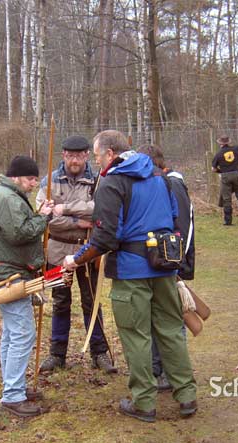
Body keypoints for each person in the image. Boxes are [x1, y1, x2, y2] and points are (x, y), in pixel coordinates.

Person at [62, 130, 198, 423]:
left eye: (98, 156)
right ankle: (186, 395)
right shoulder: (159, 177)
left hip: (132, 271)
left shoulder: (111, 182)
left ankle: (144, 402)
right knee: (171, 330)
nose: (97, 163)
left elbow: (105, 238)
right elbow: (174, 219)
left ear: (110, 154)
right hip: (164, 267)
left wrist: (76, 259)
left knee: (136, 335)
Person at [36, 135, 116, 374]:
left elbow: (99, 212)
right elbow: (46, 217)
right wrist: (77, 221)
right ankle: (56, 354)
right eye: (70, 156)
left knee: (92, 301)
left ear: (86, 156)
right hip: (57, 252)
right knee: (60, 302)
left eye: (79, 155)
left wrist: (69, 212)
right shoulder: (48, 181)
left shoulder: (98, 181)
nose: (74, 160)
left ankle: (99, 352)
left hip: (88, 252)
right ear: (63, 156)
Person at [0, 155, 54, 418]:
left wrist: (37, 216)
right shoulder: (9, 199)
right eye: (30, 178)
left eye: (36, 178)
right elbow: (18, 234)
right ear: (16, 177)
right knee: (22, 334)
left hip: (9, 271)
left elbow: (18, 228)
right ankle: (12, 395)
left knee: (12, 334)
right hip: (10, 275)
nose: (34, 183)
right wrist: (43, 217)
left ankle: (14, 386)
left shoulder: (6, 195)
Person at [137, 143, 194, 392]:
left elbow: (182, 227)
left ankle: (173, 374)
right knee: (156, 318)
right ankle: (157, 368)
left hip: (171, 263)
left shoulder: (172, 184)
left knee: (172, 320)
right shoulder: (161, 183)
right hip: (159, 262)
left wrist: (176, 262)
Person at [212, 135, 238, 225]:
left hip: (225, 175)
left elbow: (213, 169)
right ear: (229, 142)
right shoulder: (236, 149)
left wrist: (221, 171)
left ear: (220, 143)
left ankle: (228, 221)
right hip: (237, 174)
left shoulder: (218, 154)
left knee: (226, 198)